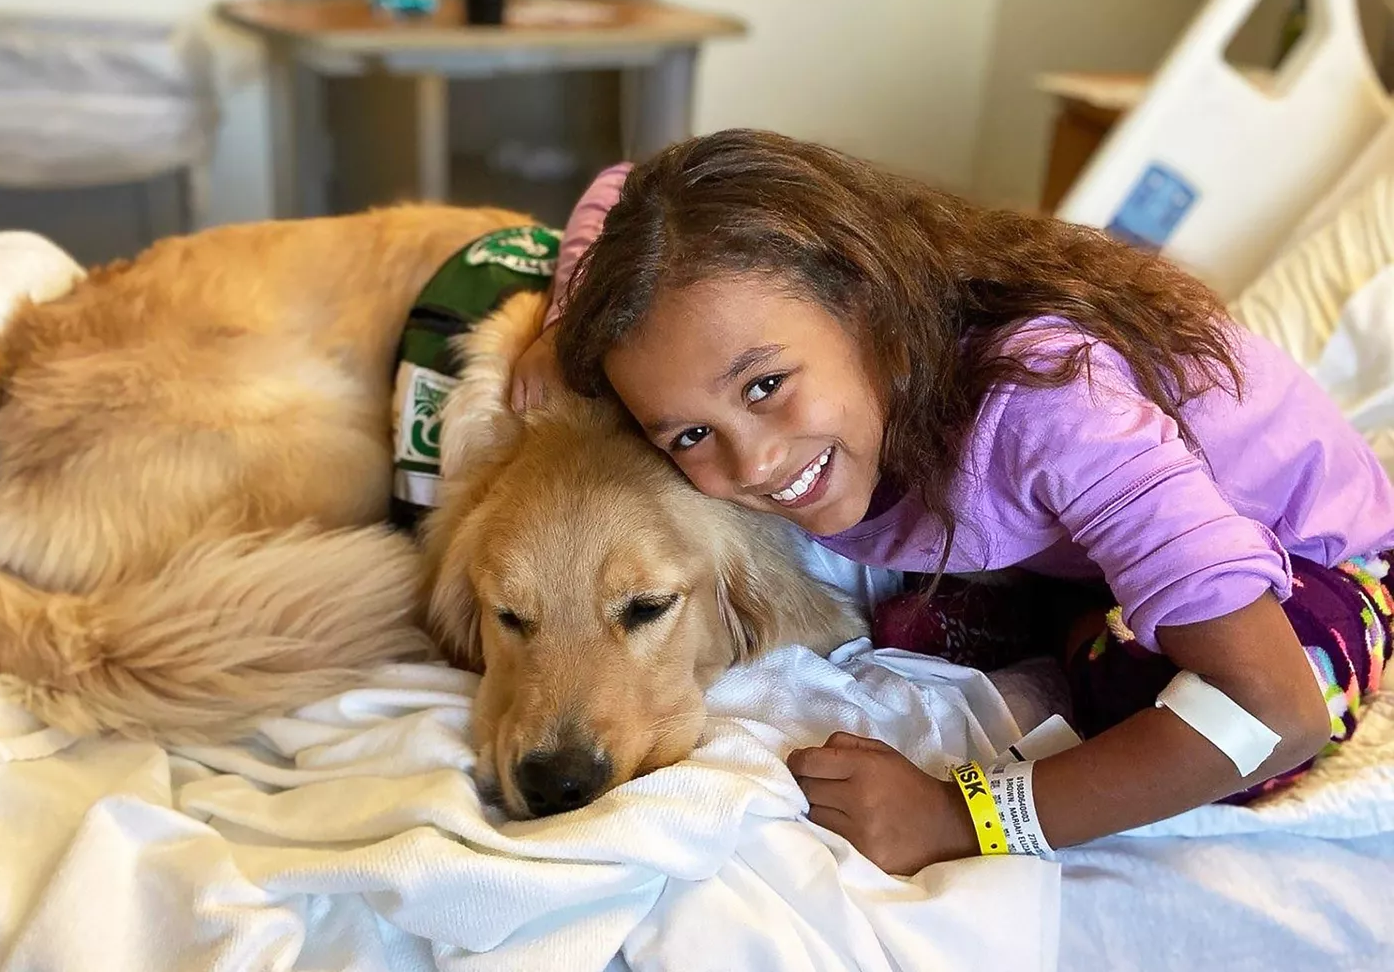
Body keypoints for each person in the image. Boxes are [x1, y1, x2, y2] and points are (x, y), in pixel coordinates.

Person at [510, 129, 1394, 875]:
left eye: (766, 385)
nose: (756, 462)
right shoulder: (747, 346)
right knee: (901, 628)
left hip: (1316, 561)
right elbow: (625, 186)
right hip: (1078, 554)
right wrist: (563, 330)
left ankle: (1087, 636)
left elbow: (1274, 712)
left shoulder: (1053, 408)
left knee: (1151, 704)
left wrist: (960, 817)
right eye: (688, 437)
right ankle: (1073, 620)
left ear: (866, 300)